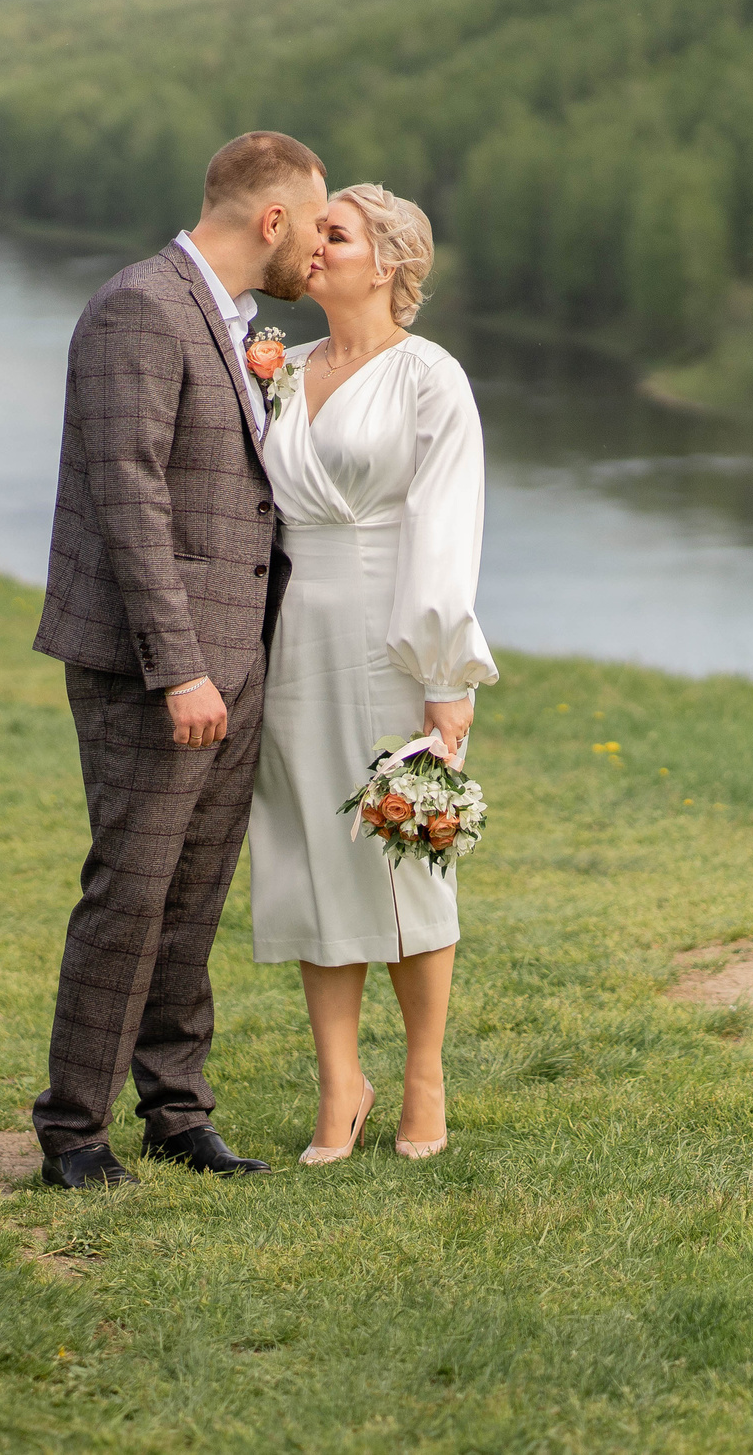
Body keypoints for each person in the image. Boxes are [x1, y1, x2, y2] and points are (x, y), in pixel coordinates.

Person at [29, 130, 328, 1189]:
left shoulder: (237, 326)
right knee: (132, 889)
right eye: (315, 223)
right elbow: (128, 496)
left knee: (193, 896)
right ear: (271, 218)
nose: (317, 252)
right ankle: (72, 1132)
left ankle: (176, 1113)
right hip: (158, 669)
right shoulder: (139, 310)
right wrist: (180, 666)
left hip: (233, 658)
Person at [246, 183, 497, 1164]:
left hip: (388, 635)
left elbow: (445, 524)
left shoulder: (429, 379)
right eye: (313, 231)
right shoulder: (276, 368)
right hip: (287, 638)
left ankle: (424, 1079)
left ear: (386, 262)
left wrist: (444, 676)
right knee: (309, 848)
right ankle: (339, 1086)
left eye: (335, 233)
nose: (313, 246)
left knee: (402, 850)